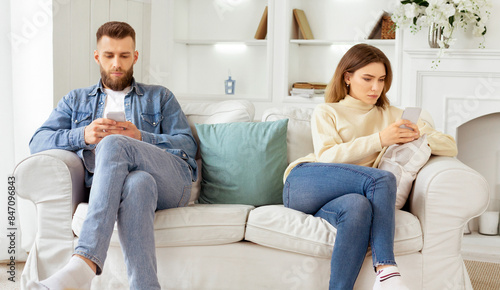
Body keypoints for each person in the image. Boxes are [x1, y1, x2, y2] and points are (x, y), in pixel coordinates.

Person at [27, 21, 197, 290]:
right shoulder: (76, 100)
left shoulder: (160, 97)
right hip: (129, 186)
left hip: (171, 182)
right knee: (137, 184)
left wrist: (141, 137)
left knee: (115, 144)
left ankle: (84, 263)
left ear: (135, 57)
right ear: (97, 56)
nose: (116, 63)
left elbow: (187, 147)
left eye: (124, 55)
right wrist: (83, 135)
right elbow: (37, 142)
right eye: (109, 55)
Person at [282, 44, 457, 290]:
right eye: (367, 79)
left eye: (382, 80)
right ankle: (386, 270)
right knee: (382, 179)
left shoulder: (395, 115)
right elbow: (327, 156)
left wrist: (422, 134)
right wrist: (380, 140)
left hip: (346, 196)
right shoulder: (327, 111)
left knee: (358, 206)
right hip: (305, 182)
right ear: (347, 77)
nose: (376, 87)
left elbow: (451, 147)